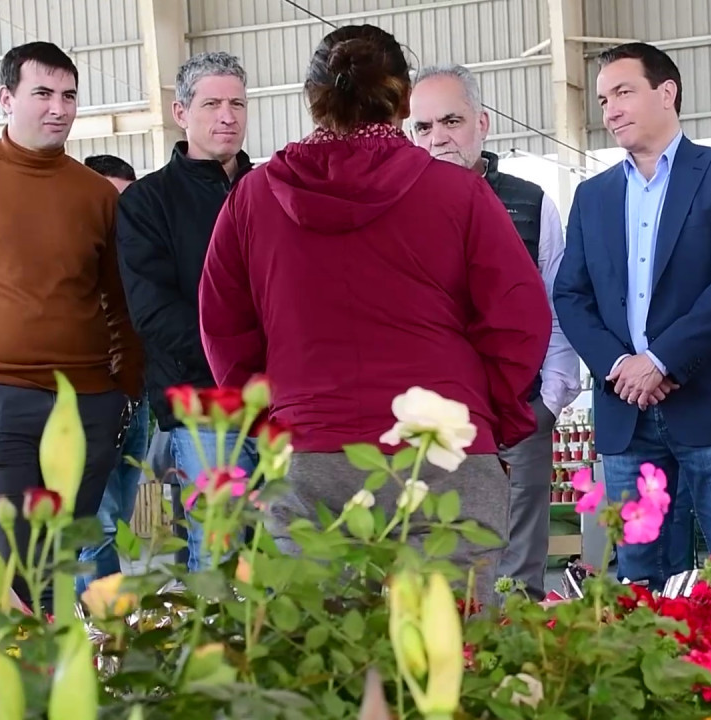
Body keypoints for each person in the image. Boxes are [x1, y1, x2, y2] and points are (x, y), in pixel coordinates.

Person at [197, 24, 551, 609]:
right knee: (450, 667)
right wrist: (483, 407)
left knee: (321, 669)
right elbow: (518, 318)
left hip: (310, 450)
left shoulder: (253, 198)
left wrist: (282, 411)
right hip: (443, 447)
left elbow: (224, 330)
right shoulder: (459, 193)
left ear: (312, 98)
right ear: (404, 100)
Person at [553, 42, 711, 602]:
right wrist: (623, 366)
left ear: (666, 92)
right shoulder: (592, 196)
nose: (610, 110)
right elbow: (571, 294)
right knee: (638, 577)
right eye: (603, 99)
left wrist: (661, 361)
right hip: (627, 412)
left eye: (623, 92)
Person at [0, 42, 142, 605]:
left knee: (51, 570)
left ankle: (51, 687)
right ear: (5, 98)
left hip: (86, 403)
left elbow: (119, 296)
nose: (58, 108)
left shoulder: (94, 194)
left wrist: (125, 388)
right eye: (42, 93)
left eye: (68, 95)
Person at [409, 64, 582, 600]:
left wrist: (547, 405)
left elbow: (559, 307)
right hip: (425, 426)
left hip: (516, 419)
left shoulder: (530, 204)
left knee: (515, 578)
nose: (438, 137)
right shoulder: (396, 207)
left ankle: (521, 681)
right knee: (432, 573)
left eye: (452, 120)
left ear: (482, 123)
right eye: (423, 126)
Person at [116, 51, 258, 571]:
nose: (228, 116)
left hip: (284, 402)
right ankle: (217, 653)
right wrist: (238, 360)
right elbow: (153, 311)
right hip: (203, 405)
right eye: (213, 103)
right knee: (218, 549)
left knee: (291, 549)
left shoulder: (272, 190)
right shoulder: (147, 202)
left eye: (238, 103)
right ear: (181, 111)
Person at [76, 154, 151, 592]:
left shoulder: (138, 258)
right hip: (91, 396)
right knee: (99, 526)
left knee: (118, 517)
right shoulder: (75, 260)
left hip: (135, 398)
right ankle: (104, 630)